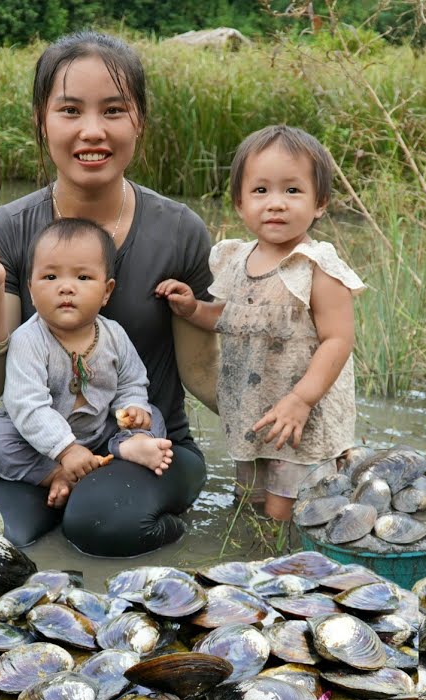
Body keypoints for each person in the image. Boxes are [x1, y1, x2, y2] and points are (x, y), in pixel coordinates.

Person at [0, 31, 218, 555]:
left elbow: (202, 372)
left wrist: (287, 412)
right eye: (70, 110)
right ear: (41, 121)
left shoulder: (179, 230)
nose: (92, 131)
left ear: (139, 121)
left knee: (98, 526)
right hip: (40, 443)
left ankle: (150, 515)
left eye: (114, 110)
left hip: (146, 446)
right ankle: (63, 478)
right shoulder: (5, 229)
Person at [156, 125, 365, 521]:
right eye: (260, 191)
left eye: (292, 191)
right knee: (248, 506)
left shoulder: (318, 267)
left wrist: (301, 400)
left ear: (319, 203)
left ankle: (288, 569)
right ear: (239, 203)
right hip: (253, 416)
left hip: (302, 419)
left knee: (285, 512)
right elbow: (237, 320)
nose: (276, 204)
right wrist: (194, 310)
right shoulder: (237, 259)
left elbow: (338, 340)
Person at [0, 218, 175, 509]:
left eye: (83, 278)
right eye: (50, 278)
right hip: (38, 440)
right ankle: (55, 475)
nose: (66, 288)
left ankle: (128, 446)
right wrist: (65, 450)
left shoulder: (113, 334)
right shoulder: (29, 340)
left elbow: (131, 381)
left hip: (100, 430)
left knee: (153, 414)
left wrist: (133, 408)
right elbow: (27, 405)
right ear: (31, 290)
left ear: (106, 291)